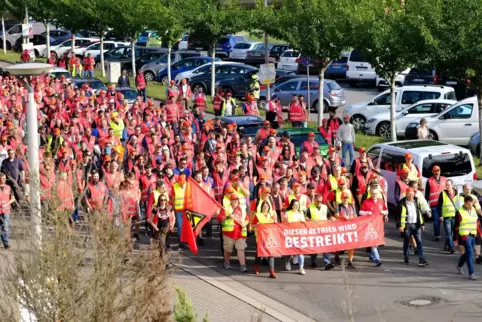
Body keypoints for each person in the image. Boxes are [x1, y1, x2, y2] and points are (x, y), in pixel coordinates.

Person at [359, 182, 389, 266]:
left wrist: (384, 212)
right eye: (372, 193)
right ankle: (377, 259)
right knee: (373, 243)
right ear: (370, 193)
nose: (374, 195)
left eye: (375, 193)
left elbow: (386, 211)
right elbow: (360, 212)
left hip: (379, 225)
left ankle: (372, 256)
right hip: (370, 225)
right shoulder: (366, 201)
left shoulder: (381, 201)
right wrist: (367, 213)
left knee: (377, 242)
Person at [218, 193, 249, 272]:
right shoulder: (226, 209)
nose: (235, 201)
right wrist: (228, 216)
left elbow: (247, 219)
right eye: (233, 199)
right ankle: (227, 262)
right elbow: (219, 219)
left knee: (241, 249)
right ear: (230, 200)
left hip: (240, 234)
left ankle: (243, 266)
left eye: (236, 199)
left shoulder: (242, 209)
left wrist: (244, 224)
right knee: (228, 250)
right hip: (229, 234)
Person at [399, 187, 430, 266]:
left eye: (412, 194)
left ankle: (421, 259)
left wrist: (422, 224)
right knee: (406, 242)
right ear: (406, 194)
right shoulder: (402, 203)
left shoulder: (416, 201)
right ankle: (406, 257)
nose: (411, 196)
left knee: (419, 242)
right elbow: (398, 216)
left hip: (416, 225)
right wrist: (400, 226)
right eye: (409, 194)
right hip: (407, 225)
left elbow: (419, 212)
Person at [454, 195, 481, 280]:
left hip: (473, 234)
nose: (471, 206)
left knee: (467, 253)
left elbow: (477, 222)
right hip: (464, 235)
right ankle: (471, 273)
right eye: (469, 204)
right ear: (465, 203)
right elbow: (456, 226)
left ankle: (459, 265)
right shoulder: (459, 212)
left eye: (472, 204)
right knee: (469, 253)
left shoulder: (473, 209)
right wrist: (455, 239)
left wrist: (480, 233)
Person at [307, 194, 335, 270]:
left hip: (323, 230)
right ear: (314, 200)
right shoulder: (310, 207)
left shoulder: (325, 207)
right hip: (314, 230)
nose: (319, 203)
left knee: (325, 246)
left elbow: (329, 216)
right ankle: (313, 261)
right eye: (317, 201)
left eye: (320, 201)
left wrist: (332, 218)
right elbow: (306, 217)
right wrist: (311, 220)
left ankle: (327, 262)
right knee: (314, 246)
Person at [250, 200, 277, 278]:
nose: (265, 207)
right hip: (260, 237)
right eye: (264, 206)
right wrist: (258, 225)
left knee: (271, 254)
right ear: (261, 208)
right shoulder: (257, 215)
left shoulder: (270, 215)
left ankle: (272, 271)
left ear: (269, 208)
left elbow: (274, 225)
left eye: (267, 206)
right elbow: (252, 226)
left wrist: (275, 224)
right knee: (259, 253)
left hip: (269, 237)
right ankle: (256, 266)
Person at [334, 191, 357, 268]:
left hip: (350, 228)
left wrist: (353, 217)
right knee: (340, 244)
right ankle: (336, 255)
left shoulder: (351, 206)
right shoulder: (338, 206)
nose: (345, 199)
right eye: (344, 198)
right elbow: (336, 215)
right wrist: (343, 217)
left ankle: (350, 261)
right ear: (341, 198)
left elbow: (355, 215)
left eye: (346, 198)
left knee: (352, 245)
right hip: (341, 228)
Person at [283, 199, 307, 275]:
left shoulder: (300, 213)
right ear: (292, 205)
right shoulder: (287, 213)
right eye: (295, 205)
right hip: (289, 235)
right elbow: (283, 222)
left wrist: (303, 222)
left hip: (299, 235)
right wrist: (287, 222)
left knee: (300, 252)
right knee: (289, 251)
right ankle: (287, 263)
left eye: (297, 205)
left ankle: (301, 267)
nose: (296, 206)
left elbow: (303, 222)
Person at [437, 179, 459, 253]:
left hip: (454, 216)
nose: (447, 186)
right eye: (446, 185)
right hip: (446, 217)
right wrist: (440, 215)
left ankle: (446, 246)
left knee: (452, 233)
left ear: (452, 185)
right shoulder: (442, 194)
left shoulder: (457, 193)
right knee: (448, 233)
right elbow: (439, 206)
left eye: (448, 185)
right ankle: (451, 247)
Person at [425, 165, 447, 241]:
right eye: (435, 171)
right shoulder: (429, 181)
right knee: (436, 220)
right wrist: (426, 207)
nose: (436, 172)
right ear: (432, 172)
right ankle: (437, 234)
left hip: (444, 204)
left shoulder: (444, 179)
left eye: (438, 171)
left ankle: (448, 234)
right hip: (434, 204)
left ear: (440, 171)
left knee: (445, 220)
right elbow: (427, 194)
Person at [149, 193, 175, 257]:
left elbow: (174, 217)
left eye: (164, 200)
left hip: (168, 229)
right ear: (159, 201)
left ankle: (163, 259)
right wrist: (155, 227)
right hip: (160, 229)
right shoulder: (156, 209)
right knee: (162, 244)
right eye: (161, 200)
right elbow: (150, 220)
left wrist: (172, 225)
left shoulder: (169, 207)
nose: (163, 201)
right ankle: (163, 259)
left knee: (165, 244)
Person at [172, 173, 187, 250]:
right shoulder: (174, 186)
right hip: (178, 210)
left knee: (187, 227)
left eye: (183, 183)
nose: (182, 184)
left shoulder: (189, 186)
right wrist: (173, 210)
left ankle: (187, 242)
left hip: (187, 210)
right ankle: (181, 243)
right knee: (180, 227)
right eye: (180, 183)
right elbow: (173, 199)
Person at [0, 173, 15, 249]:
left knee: (5, 227)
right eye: (2, 178)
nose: (3, 180)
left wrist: (6, 204)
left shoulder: (8, 187)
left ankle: (5, 243)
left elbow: (13, 199)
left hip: (6, 210)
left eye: (4, 178)